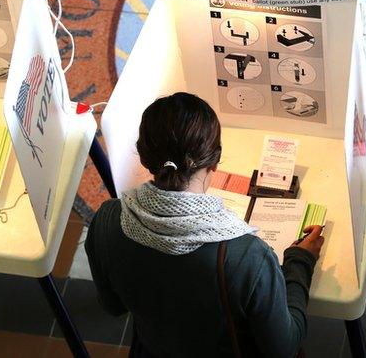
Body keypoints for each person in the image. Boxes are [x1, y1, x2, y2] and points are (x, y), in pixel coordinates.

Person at [85, 92, 324, 357]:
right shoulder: (248, 256)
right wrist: (301, 261)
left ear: (143, 158)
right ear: (214, 163)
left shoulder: (106, 222)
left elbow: (113, 306)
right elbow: (284, 347)